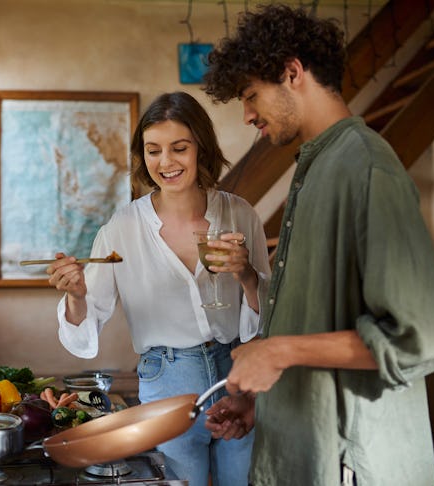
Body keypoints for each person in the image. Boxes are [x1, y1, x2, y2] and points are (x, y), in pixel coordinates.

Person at [201, 4, 434, 486]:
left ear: (293, 73)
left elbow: (425, 338)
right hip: (306, 447)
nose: (247, 114)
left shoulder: (366, 169)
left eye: (252, 95)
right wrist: (260, 403)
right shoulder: (315, 166)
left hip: (352, 464)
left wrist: (278, 351)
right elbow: (321, 320)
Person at [46, 91, 271, 486]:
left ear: (201, 147)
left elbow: (270, 312)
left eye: (179, 148)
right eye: (153, 151)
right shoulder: (121, 228)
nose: (165, 162)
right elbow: (84, 330)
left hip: (237, 375)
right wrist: (77, 295)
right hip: (167, 379)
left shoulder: (239, 214)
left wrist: (247, 275)